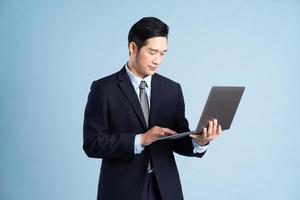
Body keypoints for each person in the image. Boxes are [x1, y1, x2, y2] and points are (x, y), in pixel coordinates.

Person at [83, 17, 222, 200]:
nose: (158, 60)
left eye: (163, 53)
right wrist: (141, 140)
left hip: (165, 190)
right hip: (121, 191)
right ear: (133, 48)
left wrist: (200, 141)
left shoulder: (172, 89)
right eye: (152, 52)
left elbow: (177, 139)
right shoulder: (103, 89)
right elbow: (92, 144)